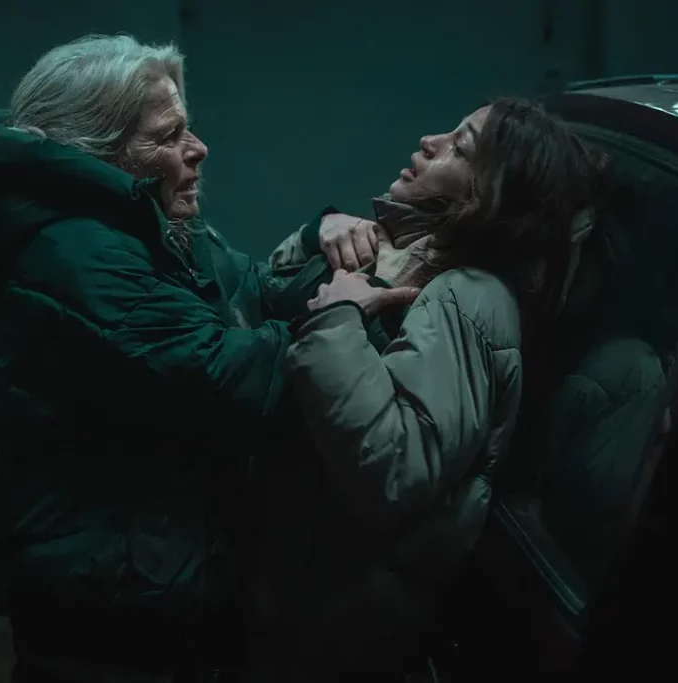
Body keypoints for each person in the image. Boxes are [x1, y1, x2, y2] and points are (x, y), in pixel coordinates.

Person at [0, 34, 388, 683]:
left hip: (145, 591)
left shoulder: (143, 226)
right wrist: (345, 314)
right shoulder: (76, 256)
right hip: (106, 626)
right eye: (169, 136)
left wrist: (322, 239)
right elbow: (231, 378)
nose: (198, 149)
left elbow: (247, 292)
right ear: (97, 154)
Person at [245, 98, 607, 679]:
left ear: (487, 197)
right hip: (292, 591)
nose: (429, 141)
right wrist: (319, 233)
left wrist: (337, 321)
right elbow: (259, 304)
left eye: (459, 147)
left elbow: (397, 467)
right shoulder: (405, 249)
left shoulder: (469, 299)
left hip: (331, 629)